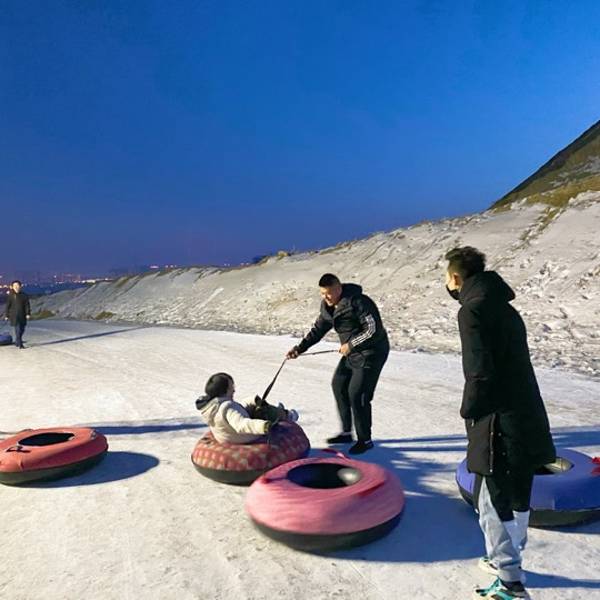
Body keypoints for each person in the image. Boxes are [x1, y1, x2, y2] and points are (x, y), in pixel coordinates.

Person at [445, 247, 556, 600]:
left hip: (497, 420)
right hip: (527, 414)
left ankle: (510, 584)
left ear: (456, 278)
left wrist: (469, 411)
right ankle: (505, 561)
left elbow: (479, 371)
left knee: (491, 501)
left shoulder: (471, 311)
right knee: (519, 493)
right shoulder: (506, 309)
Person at [287, 273, 389, 454]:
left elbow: (373, 330)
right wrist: (299, 349)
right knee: (339, 385)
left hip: (372, 352)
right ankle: (346, 432)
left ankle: (365, 440)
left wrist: (351, 344)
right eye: (322, 293)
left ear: (339, 289)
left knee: (357, 394)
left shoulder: (359, 302)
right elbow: (318, 330)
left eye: (329, 293)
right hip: (352, 353)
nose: (326, 297)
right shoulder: (328, 308)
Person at [195, 372, 298, 445]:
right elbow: (241, 424)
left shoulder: (212, 406)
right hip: (242, 438)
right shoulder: (227, 407)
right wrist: (264, 426)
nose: (234, 390)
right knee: (263, 411)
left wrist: (252, 400)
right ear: (223, 390)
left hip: (226, 435)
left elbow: (234, 412)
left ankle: (264, 406)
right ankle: (287, 415)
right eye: (231, 387)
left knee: (252, 403)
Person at [5, 280, 31, 349]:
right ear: (12, 287)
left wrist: (28, 313)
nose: (16, 287)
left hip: (22, 315)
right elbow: (8, 306)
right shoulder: (11, 295)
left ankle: (17, 340)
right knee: (18, 329)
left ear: (20, 286)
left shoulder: (24, 295)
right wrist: (7, 315)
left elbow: (27, 305)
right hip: (14, 316)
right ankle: (20, 344)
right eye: (14, 286)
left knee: (22, 329)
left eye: (17, 285)